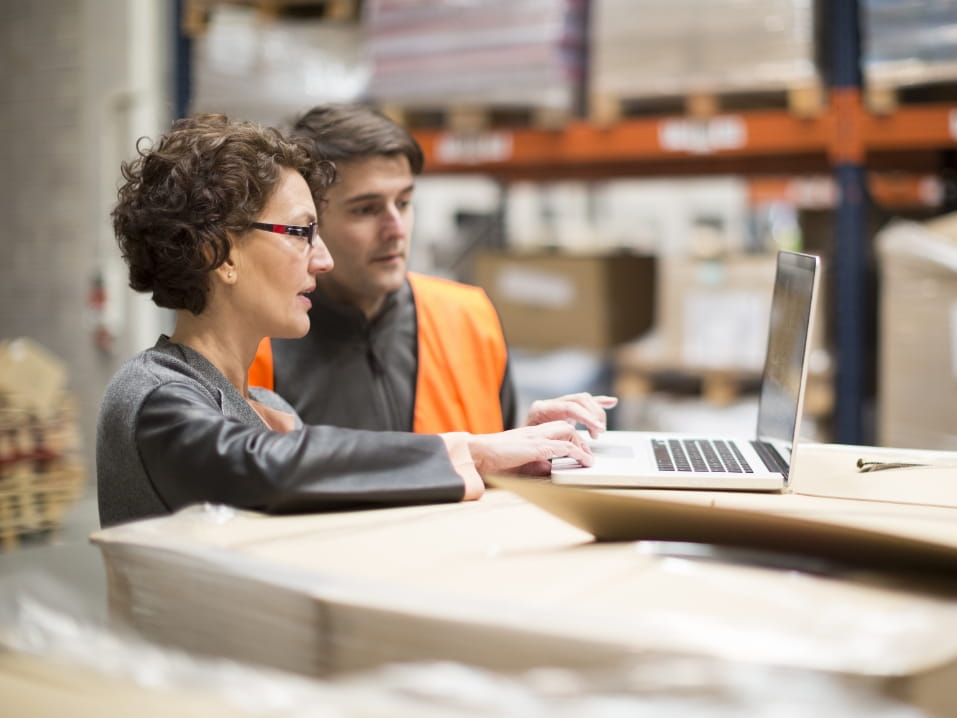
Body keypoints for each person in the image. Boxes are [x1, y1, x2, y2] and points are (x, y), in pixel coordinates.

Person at [96, 114, 594, 528]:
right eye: (301, 233)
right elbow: (262, 468)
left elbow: (345, 497)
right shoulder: (153, 394)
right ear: (219, 253)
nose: (323, 260)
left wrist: (511, 458)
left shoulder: (267, 405)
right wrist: (473, 451)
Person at [247, 103, 616, 437]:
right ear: (311, 221)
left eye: (404, 203)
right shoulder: (258, 345)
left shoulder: (467, 317)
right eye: (366, 209)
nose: (396, 229)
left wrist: (525, 441)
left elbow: (492, 470)